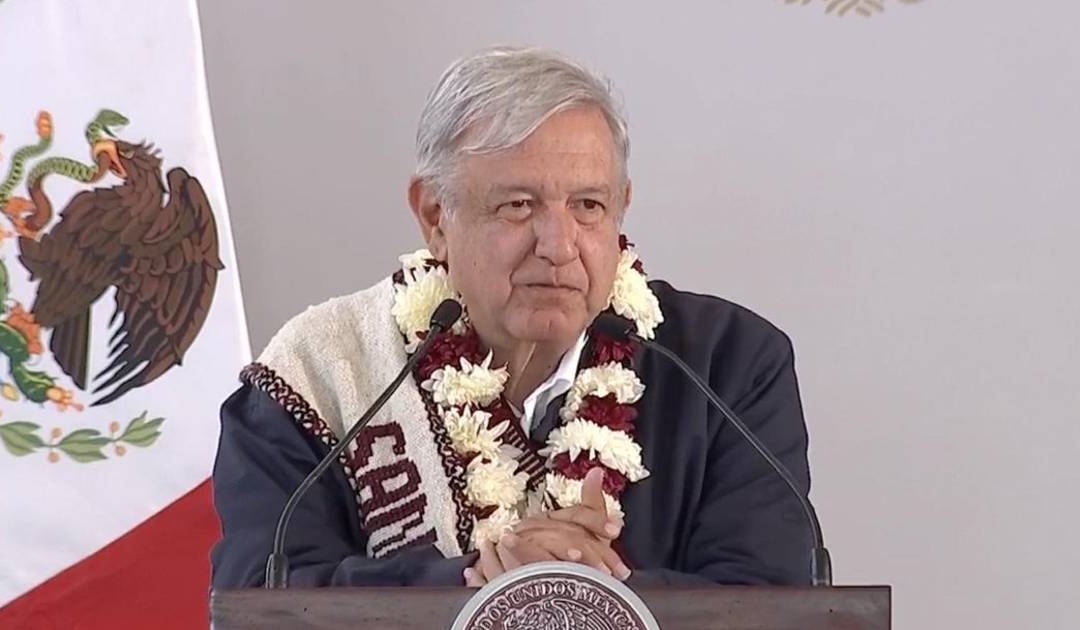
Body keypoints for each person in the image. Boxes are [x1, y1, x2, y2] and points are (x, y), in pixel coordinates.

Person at [211, 46, 815, 589]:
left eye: (588, 205)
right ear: (435, 217)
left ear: (621, 209)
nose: (558, 245)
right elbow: (258, 596)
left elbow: (771, 602)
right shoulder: (323, 370)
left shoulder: (727, 364)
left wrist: (577, 586)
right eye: (519, 205)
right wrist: (479, 579)